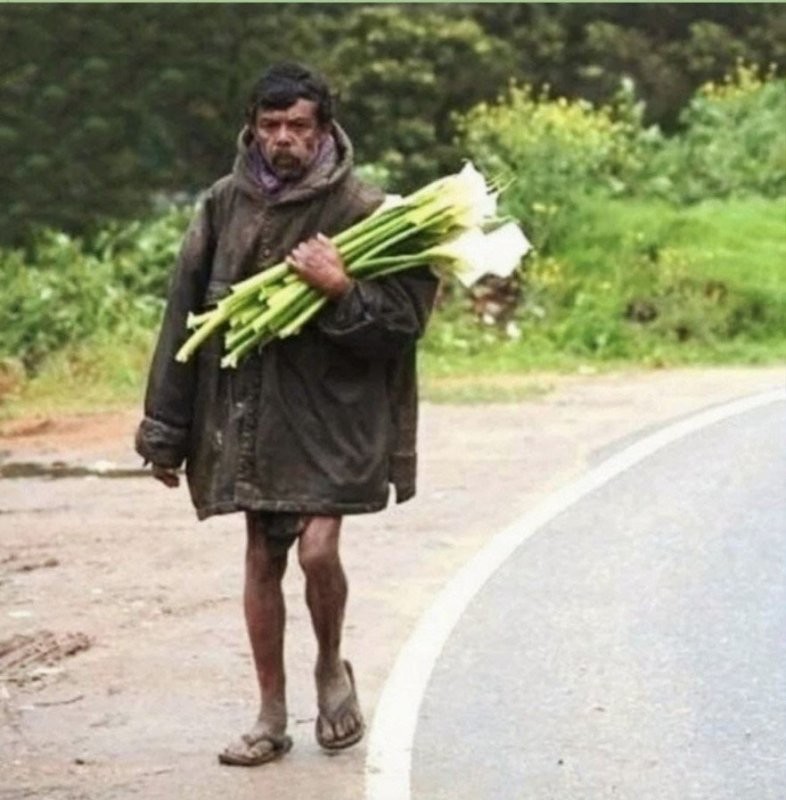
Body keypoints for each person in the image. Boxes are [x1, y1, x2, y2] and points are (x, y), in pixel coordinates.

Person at [134, 62, 437, 766]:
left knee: (318, 549)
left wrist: (340, 288)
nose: (282, 139)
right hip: (251, 411)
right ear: (252, 127)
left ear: (323, 129)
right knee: (263, 555)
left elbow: (404, 326)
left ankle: (330, 665)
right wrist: (165, 431)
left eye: (297, 126)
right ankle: (270, 715)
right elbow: (182, 315)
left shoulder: (369, 211)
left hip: (336, 416)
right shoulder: (222, 205)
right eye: (270, 125)